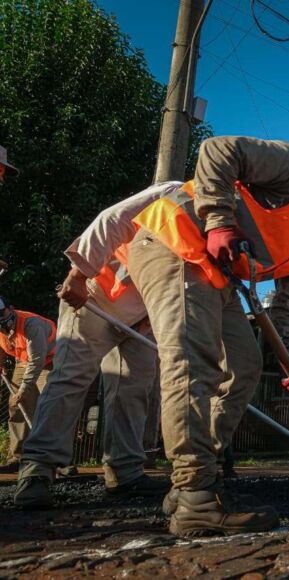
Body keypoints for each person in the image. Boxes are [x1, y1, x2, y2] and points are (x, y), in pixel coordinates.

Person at [126, 136, 289, 536]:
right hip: (175, 242)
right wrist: (218, 221)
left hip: (217, 276)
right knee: (195, 360)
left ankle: (195, 479)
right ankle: (196, 495)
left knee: (243, 364)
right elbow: (217, 149)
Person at [13, 183, 179, 508]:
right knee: (70, 378)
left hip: (144, 316)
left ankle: (125, 472)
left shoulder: (226, 231)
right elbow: (111, 219)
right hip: (93, 295)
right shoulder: (174, 193)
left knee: (134, 389)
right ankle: (37, 471)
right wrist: (77, 276)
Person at [0, 299, 55, 473]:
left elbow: (37, 361)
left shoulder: (32, 325)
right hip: (24, 362)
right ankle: (18, 456)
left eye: (1, 313)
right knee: (16, 406)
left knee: (51, 407)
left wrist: (24, 390)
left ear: (10, 309)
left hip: (51, 361)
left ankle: (58, 460)